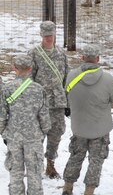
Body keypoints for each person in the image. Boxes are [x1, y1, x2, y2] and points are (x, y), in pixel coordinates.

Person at [62, 45, 113, 195]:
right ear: (98, 59)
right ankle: (89, 190)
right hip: (100, 127)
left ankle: (68, 186)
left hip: (79, 126)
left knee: (75, 156)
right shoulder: (109, 79)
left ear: (82, 58)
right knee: (96, 160)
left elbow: (67, 95)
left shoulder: (72, 76)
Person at [0, 55, 51, 195]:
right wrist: (44, 132)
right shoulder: (39, 90)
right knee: (34, 173)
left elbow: (2, 116)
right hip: (34, 137)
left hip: (13, 137)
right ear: (30, 69)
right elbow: (44, 116)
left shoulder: (6, 89)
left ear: (14, 68)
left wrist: (4, 133)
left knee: (15, 173)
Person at [28, 21, 69, 179]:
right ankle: (36, 164)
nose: (49, 39)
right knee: (38, 134)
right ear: (41, 35)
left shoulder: (61, 53)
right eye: (46, 36)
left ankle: (50, 163)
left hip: (58, 102)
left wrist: (68, 102)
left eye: (51, 35)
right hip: (41, 102)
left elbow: (66, 78)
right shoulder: (34, 53)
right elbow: (29, 79)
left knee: (56, 133)